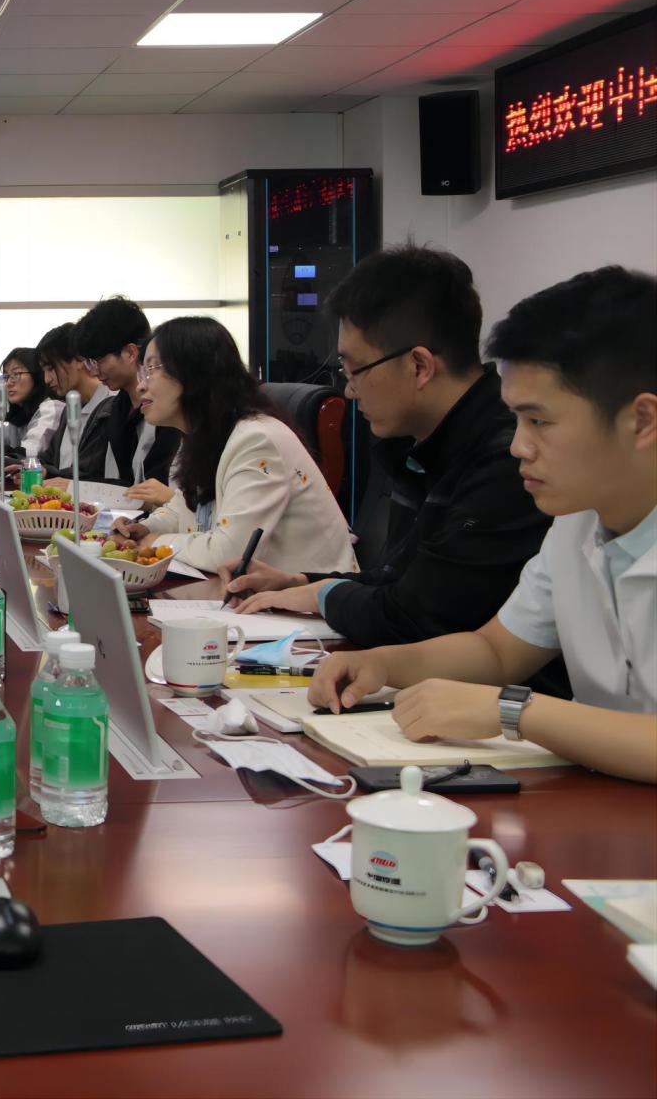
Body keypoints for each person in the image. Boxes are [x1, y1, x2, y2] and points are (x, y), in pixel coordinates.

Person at [311, 267, 657, 784]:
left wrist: (512, 711)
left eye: (539, 421)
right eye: (515, 419)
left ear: (642, 421)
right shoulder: (577, 523)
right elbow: (496, 651)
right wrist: (382, 665)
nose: (518, 446)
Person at [229, 246, 554, 654]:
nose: (349, 390)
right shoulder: (424, 444)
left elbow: (418, 615)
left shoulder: (505, 459)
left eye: (353, 370)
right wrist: (302, 582)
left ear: (419, 366)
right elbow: (403, 579)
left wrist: (322, 595)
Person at [114, 316, 356, 576]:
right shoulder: (204, 436)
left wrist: (157, 543)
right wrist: (147, 528)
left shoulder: (256, 440)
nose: (141, 385)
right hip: (250, 592)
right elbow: (187, 509)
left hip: (313, 595)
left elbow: (230, 553)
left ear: (193, 372)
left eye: (151, 369)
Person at [73, 296, 180, 491]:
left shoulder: (169, 411)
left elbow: (159, 488)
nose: (94, 372)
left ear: (131, 353)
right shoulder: (115, 410)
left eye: (98, 360)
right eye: (89, 363)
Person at [32, 322, 116, 479]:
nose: (47, 379)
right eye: (44, 371)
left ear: (79, 359)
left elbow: (89, 472)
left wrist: (48, 473)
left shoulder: (111, 405)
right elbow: (49, 460)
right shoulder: (69, 409)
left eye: (51, 368)